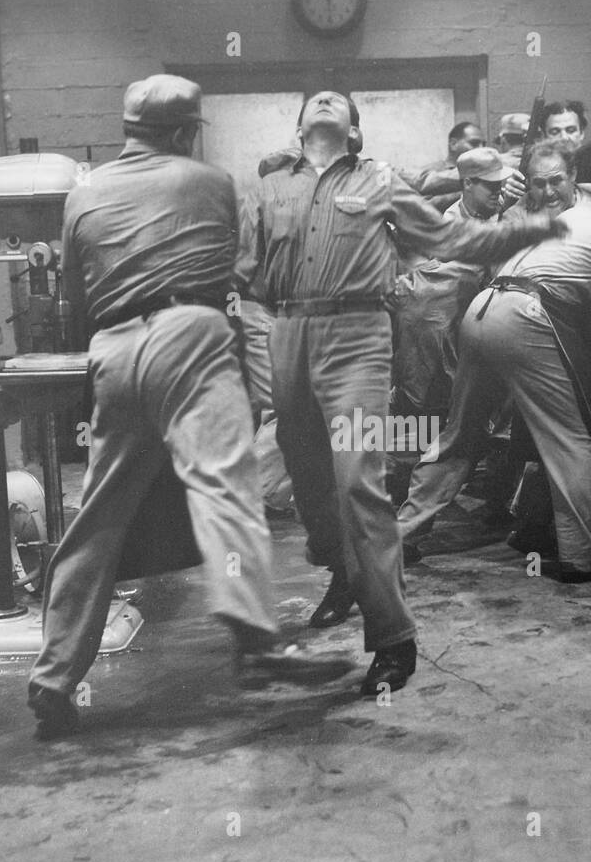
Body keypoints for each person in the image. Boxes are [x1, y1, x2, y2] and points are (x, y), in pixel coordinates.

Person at [26, 75, 349, 740]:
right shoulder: (208, 182)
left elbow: (75, 300)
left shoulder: (82, 191)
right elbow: (230, 273)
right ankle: (258, 643)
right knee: (225, 489)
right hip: (190, 338)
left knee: (99, 519)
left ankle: (54, 679)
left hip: (111, 349)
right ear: (182, 132)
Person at [234, 91, 561, 697]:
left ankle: (392, 637)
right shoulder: (271, 189)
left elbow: (449, 236)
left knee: (359, 478)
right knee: (308, 479)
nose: (326, 103)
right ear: (301, 126)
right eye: (316, 102)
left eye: (340, 104)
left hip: (357, 333)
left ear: (354, 132)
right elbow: (245, 268)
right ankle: (342, 571)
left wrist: (526, 227)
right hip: (287, 332)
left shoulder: (381, 182)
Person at [398, 138, 591, 582]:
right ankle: (581, 556)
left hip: (483, 314)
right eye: (538, 183)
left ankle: (401, 533)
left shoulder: (550, 222)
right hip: (523, 314)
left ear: (575, 178)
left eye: (556, 180)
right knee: (569, 441)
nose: (548, 190)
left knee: (459, 437)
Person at [392, 146, 520, 423]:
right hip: (450, 328)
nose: (498, 191)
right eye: (490, 186)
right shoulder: (451, 221)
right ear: (468, 183)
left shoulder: (497, 208)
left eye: (500, 184)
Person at [406, 121, 486, 212]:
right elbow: (419, 208)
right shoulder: (430, 172)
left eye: (483, 144)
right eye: (474, 143)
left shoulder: (486, 175)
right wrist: (467, 193)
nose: (481, 149)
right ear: (453, 144)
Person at [541, 99, 591, 190]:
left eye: (571, 130)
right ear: (544, 136)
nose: (564, 137)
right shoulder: (536, 164)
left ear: (581, 133)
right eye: (555, 132)